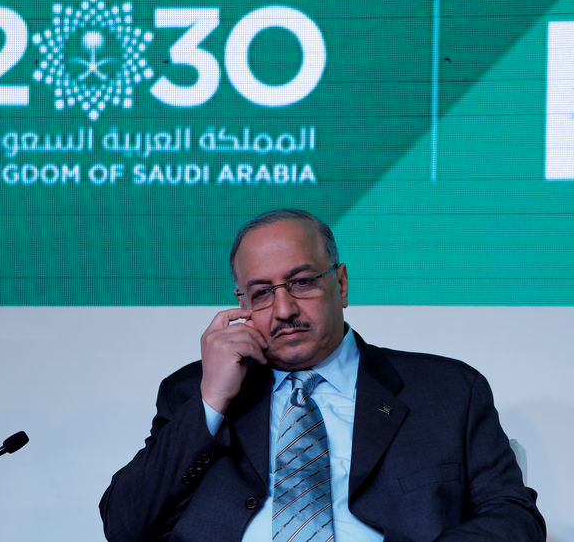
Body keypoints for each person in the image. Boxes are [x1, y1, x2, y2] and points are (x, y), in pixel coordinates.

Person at [100, 209, 546, 542]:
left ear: (342, 284)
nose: (284, 309)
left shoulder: (447, 391)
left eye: (301, 282)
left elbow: (512, 516)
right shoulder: (191, 393)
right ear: (240, 304)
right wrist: (211, 403)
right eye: (261, 293)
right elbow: (125, 526)